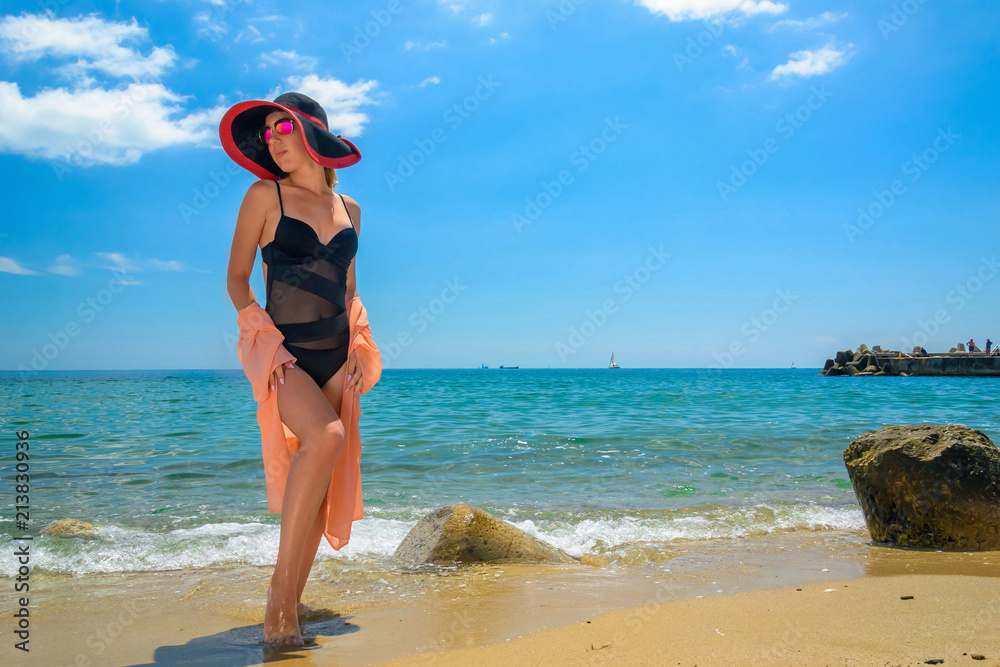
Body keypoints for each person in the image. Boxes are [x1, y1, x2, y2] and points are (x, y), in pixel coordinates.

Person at [221, 92, 367, 646]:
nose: (274, 140)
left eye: (283, 128)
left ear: (313, 134)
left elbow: (351, 287)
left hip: (337, 352)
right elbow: (237, 280)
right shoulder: (264, 196)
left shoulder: (352, 210)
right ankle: (279, 604)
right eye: (268, 133)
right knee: (324, 435)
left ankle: (294, 599)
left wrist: (358, 344)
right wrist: (266, 343)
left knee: (323, 489)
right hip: (286, 353)